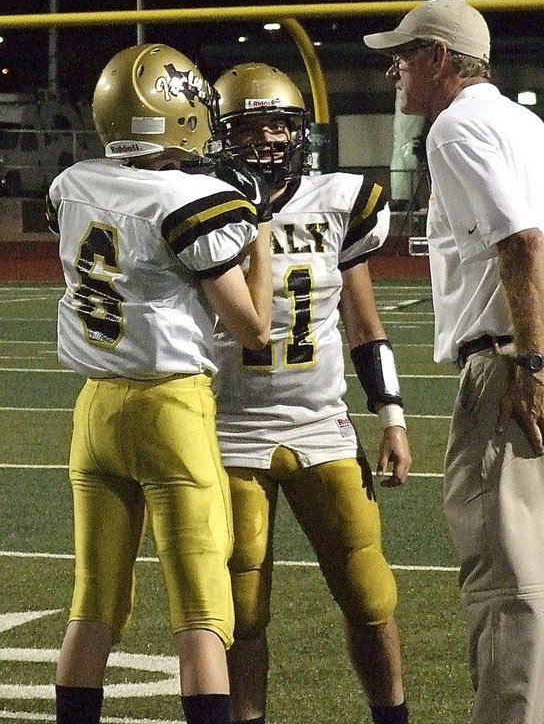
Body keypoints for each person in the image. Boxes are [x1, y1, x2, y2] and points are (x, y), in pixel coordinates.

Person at [47, 43, 273, 724]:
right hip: (170, 408)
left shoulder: (73, 182)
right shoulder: (189, 199)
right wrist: (259, 234)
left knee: (93, 603)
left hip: (94, 410)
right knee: (203, 609)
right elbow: (253, 328)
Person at [212, 61, 413, 724]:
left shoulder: (339, 200)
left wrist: (392, 416)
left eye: (279, 124)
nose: (268, 139)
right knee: (241, 612)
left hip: (322, 423)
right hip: (226, 430)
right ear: (220, 134)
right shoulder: (195, 205)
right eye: (250, 127)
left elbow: (364, 323)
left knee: (370, 596)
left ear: (300, 130)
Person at [364, 0, 544, 724]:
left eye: (403, 57)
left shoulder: (457, 127)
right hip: (527, 351)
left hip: (510, 362)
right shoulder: (524, 124)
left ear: (440, 58)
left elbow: (521, 242)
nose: (394, 74)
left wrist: (531, 365)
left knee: (509, 581)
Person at [319, 0, 466, 210]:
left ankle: (456, 197)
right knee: (406, 136)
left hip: (446, 62)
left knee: (453, 128)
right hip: (414, 62)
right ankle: (401, 202)